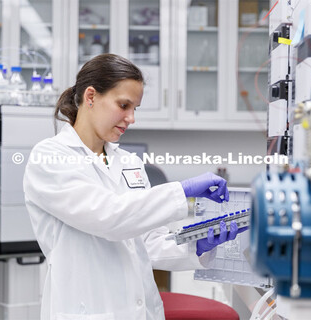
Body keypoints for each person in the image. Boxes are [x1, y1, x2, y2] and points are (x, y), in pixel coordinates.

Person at [23, 54, 245, 320]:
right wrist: (181, 190)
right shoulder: (50, 158)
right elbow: (110, 217)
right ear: (90, 97)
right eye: (124, 105)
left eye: (135, 108)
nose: (131, 118)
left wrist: (195, 246)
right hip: (87, 309)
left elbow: (146, 242)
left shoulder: (129, 163)